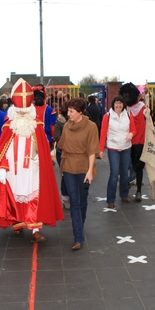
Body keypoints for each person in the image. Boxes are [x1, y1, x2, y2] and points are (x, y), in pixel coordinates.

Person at [0, 78, 64, 242]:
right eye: (20, 110)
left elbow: (43, 147)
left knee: (33, 196)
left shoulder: (37, 125)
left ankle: (35, 229)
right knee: (14, 194)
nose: (23, 113)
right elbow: (2, 149)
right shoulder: (7, 126)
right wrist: (2, 167)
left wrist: (40, 158)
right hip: (13, 169)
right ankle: (17, 221)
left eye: (25, 109)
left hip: (32, 168)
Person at [58, 97, 100, 251]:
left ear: (80, 112)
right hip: (68, 166)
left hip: (83, 167)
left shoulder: (91, 127)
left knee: (82, 200)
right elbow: (61, 146)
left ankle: (79, 224)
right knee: (74, 201)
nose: (68, 114)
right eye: (68, 111)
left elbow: (92, 152)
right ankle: (78, 237)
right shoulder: (67, 126)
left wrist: (90, 171)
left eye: (71, 111)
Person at [99, 96, 136, 208]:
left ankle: (124, 194)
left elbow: (134, 129)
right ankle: (110, 200)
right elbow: (103, 133)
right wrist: (101, 149)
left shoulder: (129, 115)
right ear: (113, 105)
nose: (118, 105)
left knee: (124, 173)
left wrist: (131, 134)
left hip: (126, 147)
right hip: (113, 148)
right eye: (116, 103)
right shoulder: (107, 116)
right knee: (114, 173)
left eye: (120, 103)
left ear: (123, 105)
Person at [120, 83, 146, 202]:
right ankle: (127, 187)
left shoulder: (143, 108)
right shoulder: (123, 109)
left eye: (127, 94)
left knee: (138, 167)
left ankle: (138, 191)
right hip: (126, 142)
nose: (126, 97)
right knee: (124, 166)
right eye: (124, 94)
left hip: (139, 142)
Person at [54, 101, 70, 209]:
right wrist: (68, 143)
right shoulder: (59, 122)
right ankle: (65, 198)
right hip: (62, 152)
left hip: (75, 153)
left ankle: (72, 195)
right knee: (65, 175)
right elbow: (57, 136)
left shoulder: (78, 120)